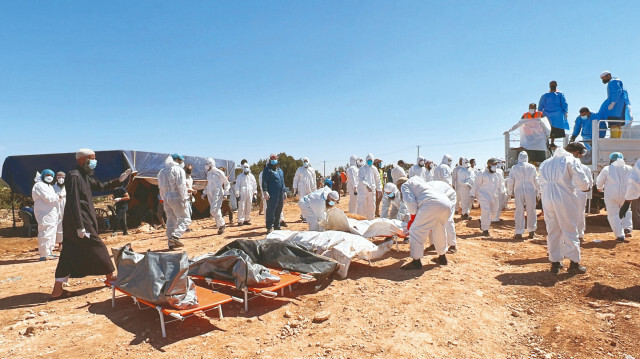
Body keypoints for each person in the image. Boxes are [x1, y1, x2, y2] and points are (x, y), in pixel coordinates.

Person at [51, 148, 131, 299]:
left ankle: (57, 291)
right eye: (91, 159)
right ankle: (110, 276)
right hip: (79, 220)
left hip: (81, 220)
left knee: (68, 253)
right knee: (97, 245)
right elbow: (74, 202)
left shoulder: (84, 176)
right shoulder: (74, 176)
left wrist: (118, 181)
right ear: (82, 160)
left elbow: (100, 186)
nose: (94, 163)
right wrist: (79, 226)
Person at [539, 142, 591, 274]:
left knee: (553, 230)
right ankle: (574, 263)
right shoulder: (570, 160)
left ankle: (555, 263)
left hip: (547, 198)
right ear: (576, 152)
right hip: (564, 197)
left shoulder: (546, 162)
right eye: (580, 153)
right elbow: (581, 180)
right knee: (569, 229)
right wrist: (586, 187)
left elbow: (540, 182)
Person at [398, 177, 452, 269]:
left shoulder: (405, 185)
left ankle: (416, 262)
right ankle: (442, 257)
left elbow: (410, 203)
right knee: (438, 229)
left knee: (415, 230)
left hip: (432, 205)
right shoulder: (421, 184)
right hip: (446, 204)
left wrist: (413, 218)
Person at [596, 152, 633, 242]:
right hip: (626, 194)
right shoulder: (629, 168)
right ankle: (627, 228)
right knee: (627, 210)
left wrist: (599, 188)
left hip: (611, 194)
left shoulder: (607, 169)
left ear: (611, 159)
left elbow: (600, 180)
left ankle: (620, 235)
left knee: (613, 214)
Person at [158, 153, 192, 248]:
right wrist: (185, 198)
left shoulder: (162, 171)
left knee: (171, 220)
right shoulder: (179, 170)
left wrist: (163, 198)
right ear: (177, 160)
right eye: (181, 161)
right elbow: (181, 186)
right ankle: (175, 236)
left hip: (166, 198)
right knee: (186, 219)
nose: (182, 163)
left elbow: (160, 187)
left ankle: (170, 243)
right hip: (177, 197)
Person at [506, 151, 540, 240]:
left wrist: (510, 192)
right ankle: (532, 231)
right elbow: (536, 180)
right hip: (530, 190)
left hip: (518, 189)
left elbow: (510, 180)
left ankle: (518, 232)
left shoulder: (514, 167)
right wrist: (539, 191)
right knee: (531, 210)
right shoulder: (532, 167)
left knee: (519, 210)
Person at [32, 169, 61, 261]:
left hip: (51, 212)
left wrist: (57, 197)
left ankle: (49, 252)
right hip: (44, 213)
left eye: (51, 175)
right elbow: (48, 198)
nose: (50, 177)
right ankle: (44, 254)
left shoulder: (49, 186)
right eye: (47, 175)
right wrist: (57, 196)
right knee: (45, 232)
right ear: (43, 176)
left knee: (52, 232)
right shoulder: (39, 185)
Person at [470, 158, 501, 236]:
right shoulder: (482, 173)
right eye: (493, 164)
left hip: (493, 195)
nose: (495, 166)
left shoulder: (496, 173)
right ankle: (485, 229)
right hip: (483, 195)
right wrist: (472, 194)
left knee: (493, 213)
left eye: (495, 164)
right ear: (489, 165)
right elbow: (476, 184)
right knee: (486, 211)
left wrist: (504, 191)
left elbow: (500, 183)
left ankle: (482, 220)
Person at [599, 71, 632, 139]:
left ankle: (614, 138)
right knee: (618, 124)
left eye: (603, 78)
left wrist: (613, 102)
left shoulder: (613, 82)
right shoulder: (616, 81)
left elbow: (617, 92)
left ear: (608, 76)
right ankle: (617, 138)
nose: (603, 80)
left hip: (616, 107)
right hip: (620, 105)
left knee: (613, 122)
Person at [203, 157, 230, 234]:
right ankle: (220, 227)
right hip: (210, 193)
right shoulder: (209, 173)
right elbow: (209, 184)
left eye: (207, 164)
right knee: (216, 210)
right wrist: (204, 192)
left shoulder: (219, 172)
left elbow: (226, 183)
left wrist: (225, 193)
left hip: (218, 192)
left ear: (211, 164)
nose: (206, 166)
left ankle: (222, 224)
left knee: (213, 210)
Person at [538, 81, 569, 147]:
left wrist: (565, 112)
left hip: (557, 115)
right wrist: (539, 113)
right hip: (547, 114)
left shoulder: (560, 94)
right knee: (547, 128)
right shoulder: (545, 95)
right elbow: (541, 105)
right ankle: (547, 142)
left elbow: (564, 104)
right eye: (552, 85)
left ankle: (552, 142)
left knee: (554, 129)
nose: (552, 86)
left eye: (554, 85)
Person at [262, 154, 286, 233]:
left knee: (279, 209)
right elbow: (264, 181)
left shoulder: (280, 171)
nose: (274, 160)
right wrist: (265, 191)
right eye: (272, 159)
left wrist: (284, 191)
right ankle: (269, 226)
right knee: (271, 210)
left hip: (280, 193)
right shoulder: (267, 170)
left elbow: (282, 181)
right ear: (270, 160)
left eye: (275, 158)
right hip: (272, 193)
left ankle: (277, 226)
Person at [356, 153, 382, 220]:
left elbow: (378, 179)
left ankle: (370, 220)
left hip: (372, 191)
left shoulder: (374, 169)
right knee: (361, 205)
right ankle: (360, 220)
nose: (369, 161)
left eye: (371, 160)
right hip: (363, 191)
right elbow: (360, 179)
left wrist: (379, 189)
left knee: (372, 205)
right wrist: (366, 185)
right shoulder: (362, 168)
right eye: (368, 160)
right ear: (366, 160)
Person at [576, 161, 593, 241]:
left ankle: (568, 234)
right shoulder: (586, 168)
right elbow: (590, 183)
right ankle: (580, 234)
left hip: (568, 193)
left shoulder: (565, 166)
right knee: (580, 213)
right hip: (581, 193)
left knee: (567, 213)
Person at [53, 171, 66, 251]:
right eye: (59, 177)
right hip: (57, 208)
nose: (61, 179)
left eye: (63, 177)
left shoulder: (67, 186)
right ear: (56, 178)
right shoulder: (53, 187)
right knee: (59, 226)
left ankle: (67, 243)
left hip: (66, 207)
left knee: (67, 225)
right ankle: (60, 244)